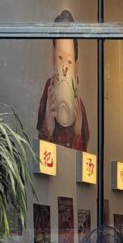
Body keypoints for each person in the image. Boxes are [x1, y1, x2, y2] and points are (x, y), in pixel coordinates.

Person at [36, 21, 91, 151]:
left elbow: (83, 146)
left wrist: (77, 132)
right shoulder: (49, 92)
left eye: (69, 61)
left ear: (76, 68)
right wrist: (48, 129)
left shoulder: (77, 104)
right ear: (53, 56)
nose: (64, 68)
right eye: (60, 57)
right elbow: (41, 143)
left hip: (70, 160)